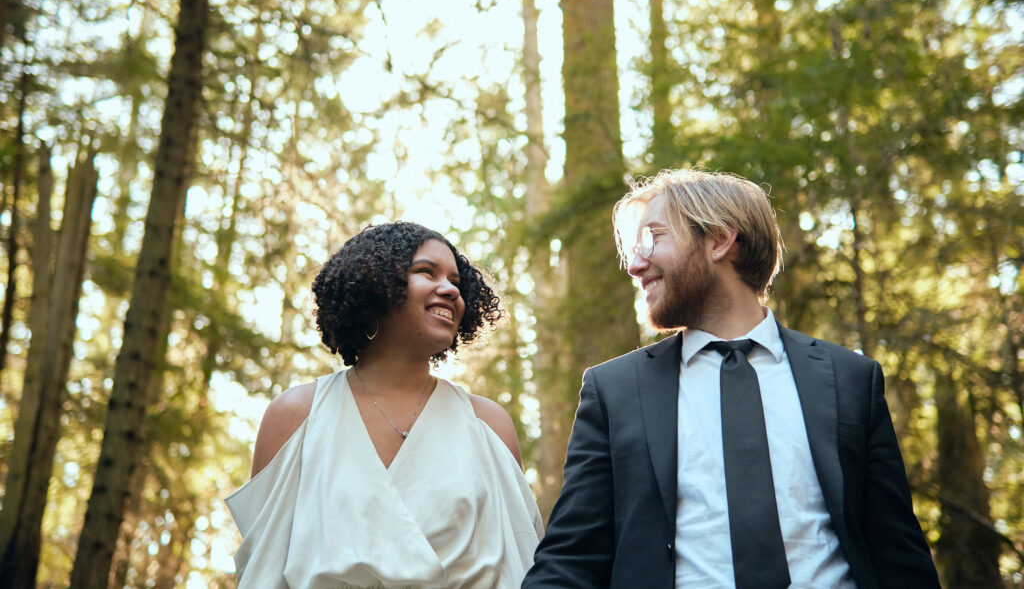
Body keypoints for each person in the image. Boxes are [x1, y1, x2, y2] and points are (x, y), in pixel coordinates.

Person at [522, 169, 940, 589]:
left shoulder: (851, 379)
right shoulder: (613, 391)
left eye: (652, 238)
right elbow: (572, 559)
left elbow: (898, 554)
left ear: (720, 239)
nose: (634, 265)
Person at [227, 222, 543, 588]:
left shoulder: (489, 424)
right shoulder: (296, 415)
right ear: (374, 282)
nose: (450, 290)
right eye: (426, 271)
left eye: (456, 281)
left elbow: (522, 563)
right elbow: (263, 565)